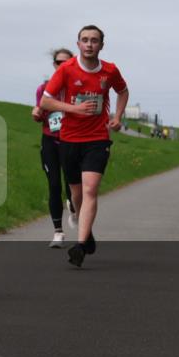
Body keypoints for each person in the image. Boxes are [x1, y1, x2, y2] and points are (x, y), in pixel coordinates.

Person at [39, 25, 129, 268]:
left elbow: (123, 91)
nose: (89, 44)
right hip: (69, 140)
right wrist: (73, 109)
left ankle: (79, 246)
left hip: (97, 139)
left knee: (90, 190)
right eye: (85, 40)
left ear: (101, 45)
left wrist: (118, 116)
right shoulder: (67, 70)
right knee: (77, 195)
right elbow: (46, 101)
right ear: (78, 44)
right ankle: (86, 231)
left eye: (94, 40)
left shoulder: (110, 71)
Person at [31, 48, 75, 247]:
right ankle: (58, 232)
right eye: (58, 62)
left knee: (71, 185)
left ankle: (73, 206)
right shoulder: (44, 89)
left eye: (67, 62)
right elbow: (40, 112)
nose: (62, 65)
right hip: (50, 140)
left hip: (72, 140)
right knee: (54, 185)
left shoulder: (76, 87)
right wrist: (37, 113)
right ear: (54, 64)